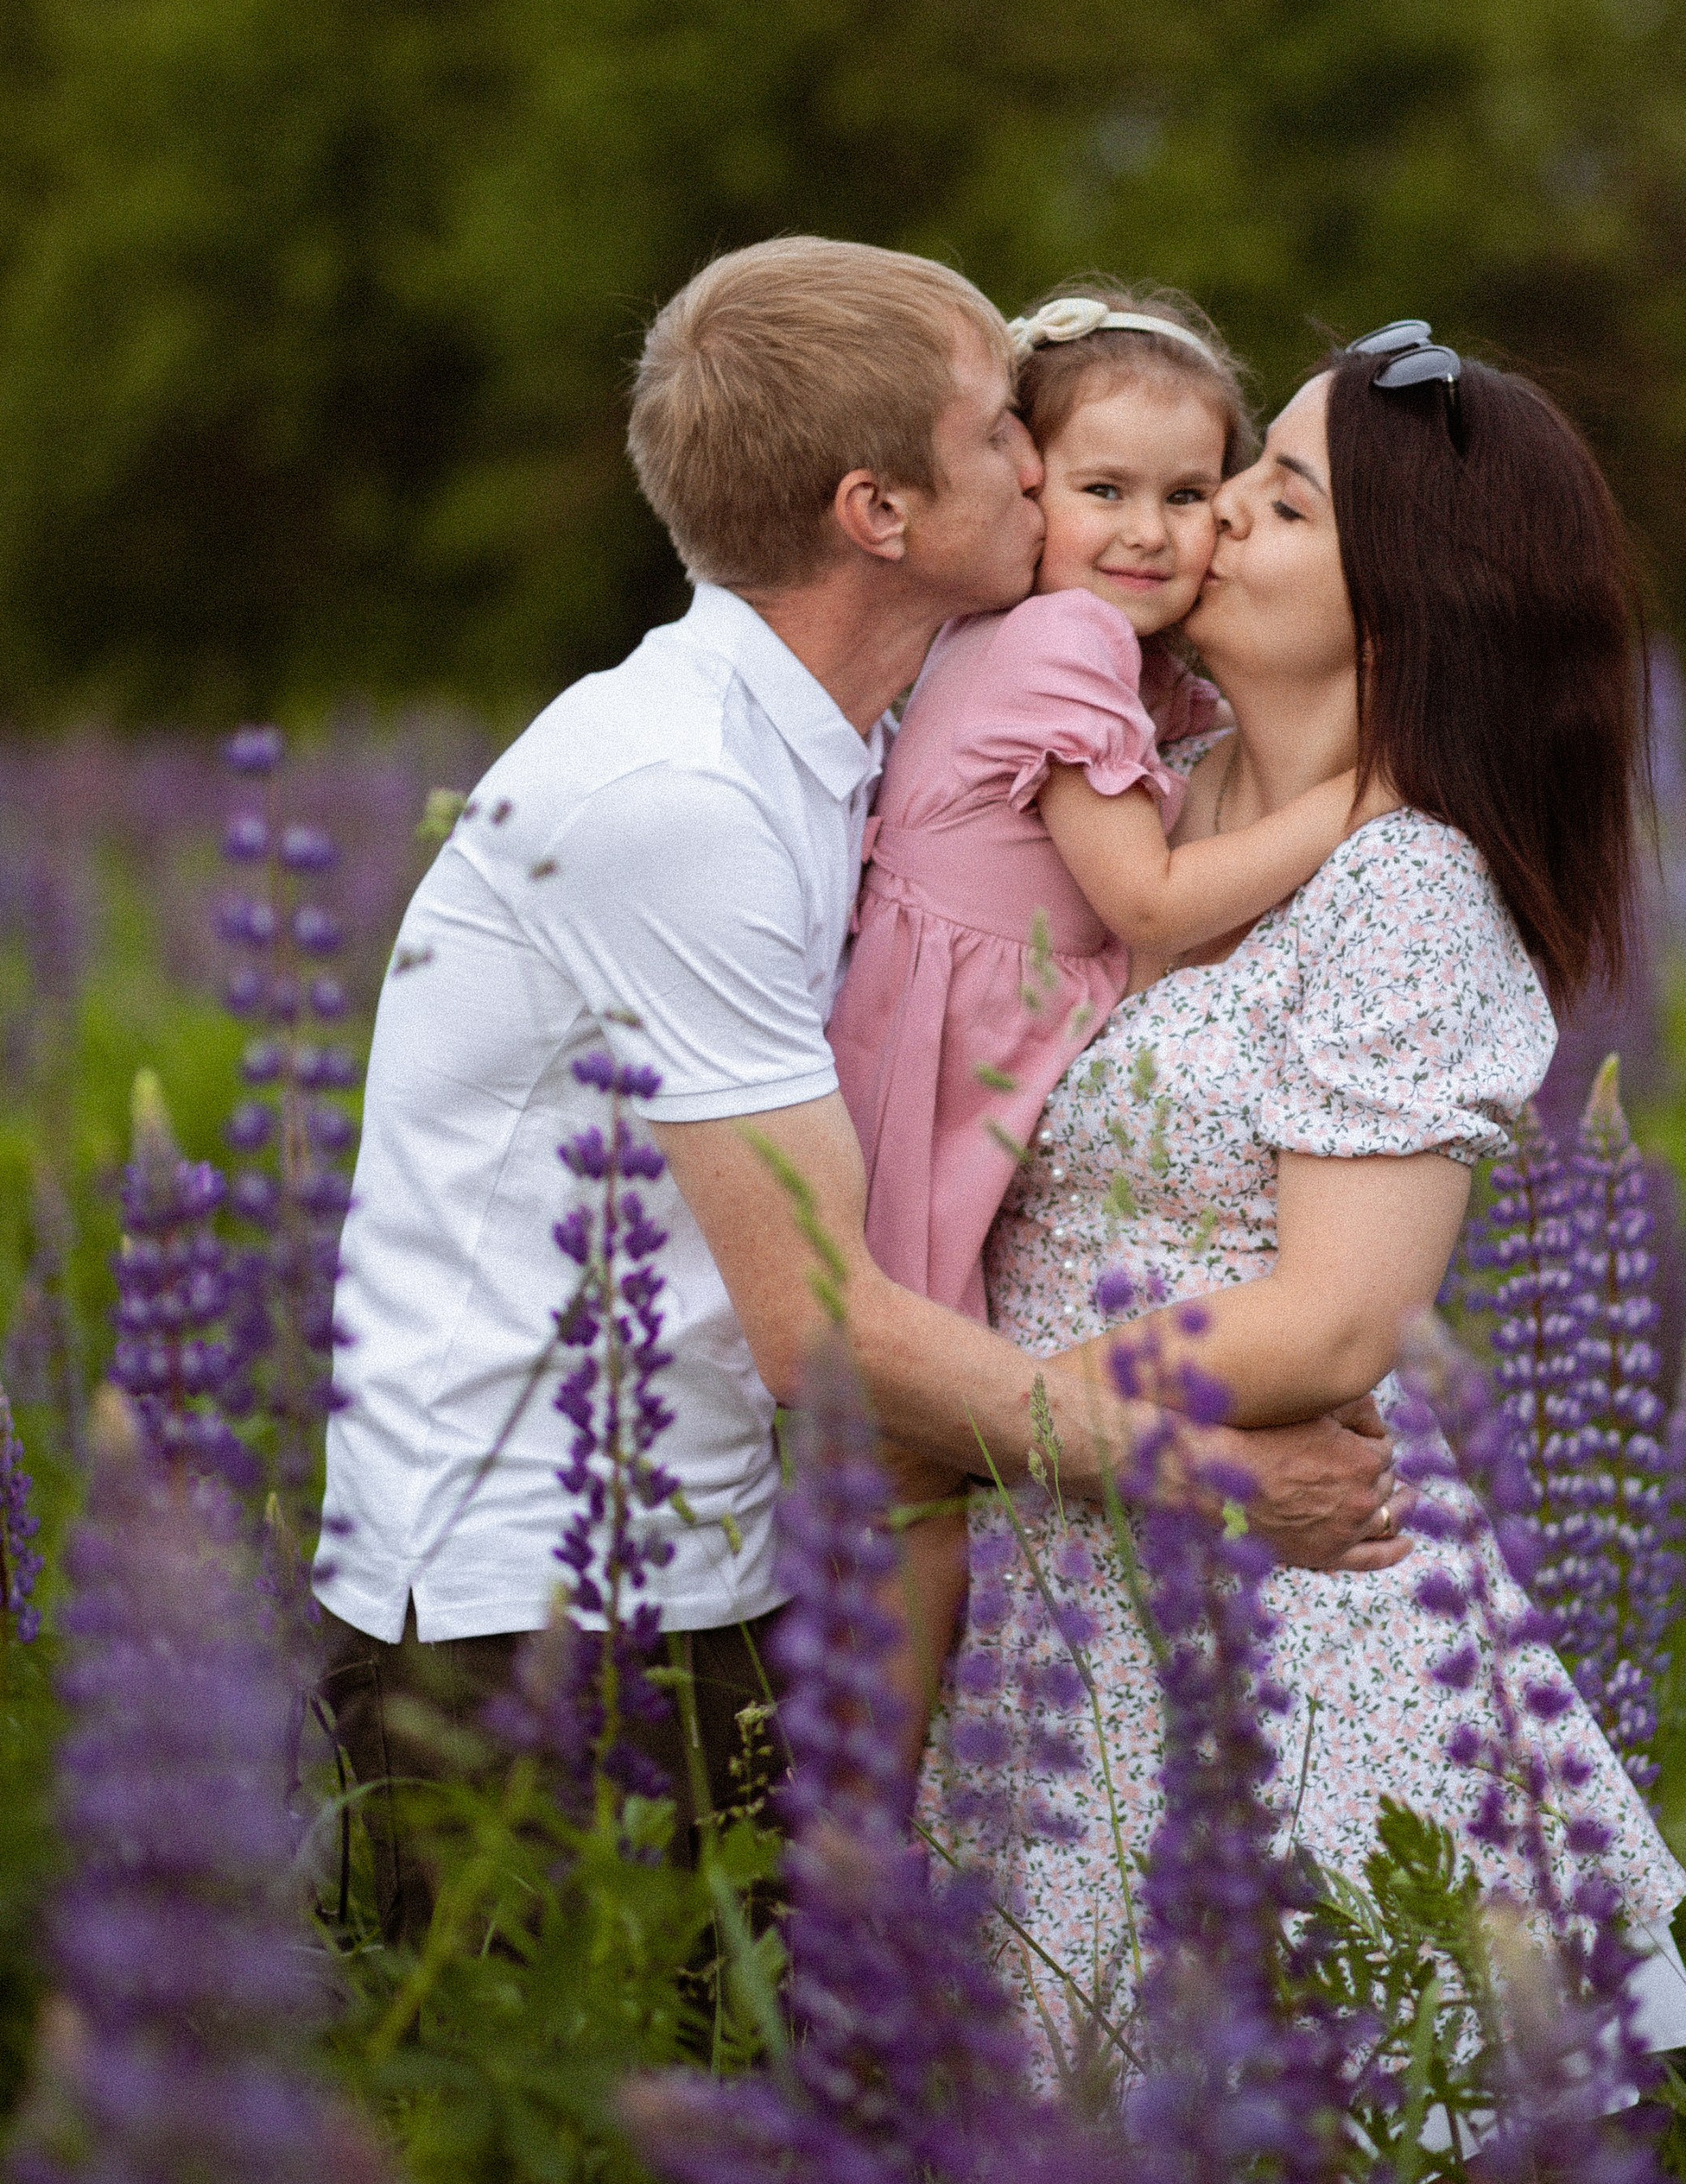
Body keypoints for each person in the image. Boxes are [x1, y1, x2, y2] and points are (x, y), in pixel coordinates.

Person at [312, 237, 1405, 1931]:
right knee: (580, 2162)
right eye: (996, 437)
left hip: (720, 1554)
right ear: (876, 513)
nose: (1034, 467)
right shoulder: (677, 799)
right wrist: (1228, 1481)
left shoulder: (856, 744)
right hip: (523, 1610)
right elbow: (823, 1327)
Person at [922, 322, 1686, 2051]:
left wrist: (987, 1413)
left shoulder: (1408, 881)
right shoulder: (1150, 790)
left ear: (1400, 603)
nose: (1205, 525)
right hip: (1062, 1562)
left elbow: (1338, 1316)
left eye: (1273, 499)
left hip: (1284, 1624)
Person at [827, 287, 1358, 1742]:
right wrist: (1359, 802)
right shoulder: (1061, 642)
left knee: (918, 1466)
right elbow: (1154, 902)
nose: (1148, 530)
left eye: (1191, 495)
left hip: (967, 1062)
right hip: (936, 1089)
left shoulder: (1095, 657)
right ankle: (878, 1795)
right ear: (1026, 488)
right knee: (917, 1472)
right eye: (1103, 489)